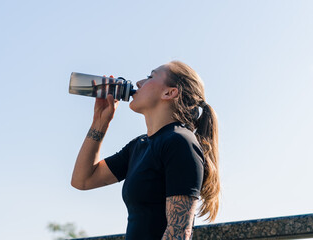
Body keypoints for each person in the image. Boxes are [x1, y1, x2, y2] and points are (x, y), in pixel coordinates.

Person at [71, 61, 220, 240]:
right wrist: (100, 122)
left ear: (170, 92)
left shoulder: (180, 142)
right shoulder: (139, 145)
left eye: (150, 76)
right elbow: (83, 180)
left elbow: (179, 231)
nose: (139, 83)